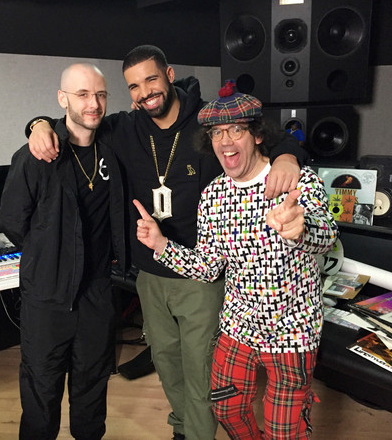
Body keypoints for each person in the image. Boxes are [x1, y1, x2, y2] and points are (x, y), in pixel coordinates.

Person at [25, 45, 310, 440]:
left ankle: (197, 435)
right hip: (150, 273)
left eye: (152, 79)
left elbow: (264, 134)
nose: (145, 92)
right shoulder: (124, 127)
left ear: (170, 75)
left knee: (201, 370)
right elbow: (77, 122)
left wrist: (288, 158)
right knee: (168, 364)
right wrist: (38, 124)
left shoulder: (211, 118)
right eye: (134, 86)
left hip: (201, 274)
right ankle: (183, 427)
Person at [133, 82, 338, 439]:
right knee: (226, 409)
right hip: (237, 329)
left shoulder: (296, 180)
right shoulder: (213, 195)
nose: (225, 141)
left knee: (285, 432)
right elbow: (209, 267)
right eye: (217, 133)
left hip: (292, 332)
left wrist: (302, 229)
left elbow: (328, 236)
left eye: (237, 130)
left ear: (257, 135)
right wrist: (162, 244)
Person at [0, 63, 127, 440]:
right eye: (83, 94)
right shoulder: (37, 155)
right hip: (47, 299)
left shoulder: (115, 142)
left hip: (96, 297)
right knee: (41, 394)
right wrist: (48, 253)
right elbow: (11, 221)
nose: (94, 104)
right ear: (62, 99)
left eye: (101, 94)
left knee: (91, 392)